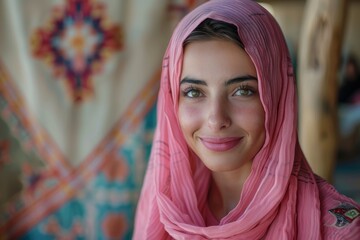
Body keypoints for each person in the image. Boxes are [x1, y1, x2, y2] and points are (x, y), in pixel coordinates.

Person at [133, 0, 360, 239]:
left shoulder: (340, 231)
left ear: (277, 96)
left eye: (242, 91)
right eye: (194, 92)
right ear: (172, 103)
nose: (216, 119)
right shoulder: (163, 212)